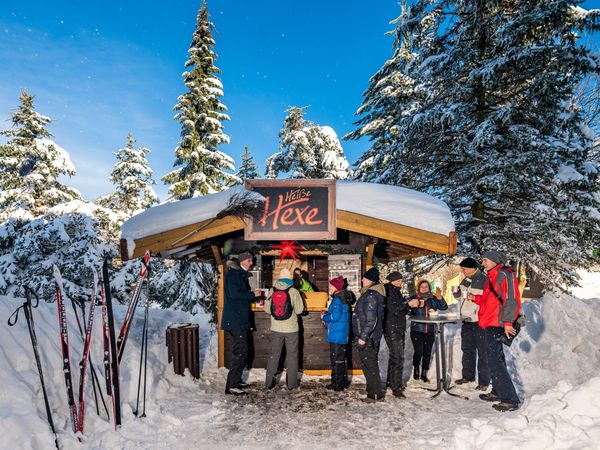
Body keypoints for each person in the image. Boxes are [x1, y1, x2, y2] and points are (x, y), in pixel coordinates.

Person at [469, 251, 521, 412]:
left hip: (497, 323)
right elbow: (487, 300)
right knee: (494, 358)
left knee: (495, 360)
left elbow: (511, 299)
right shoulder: (491, 276)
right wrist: (474, 298)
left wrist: (507, 322)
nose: (482, 263)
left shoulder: (505, 275)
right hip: (488, 322)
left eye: (485, 260)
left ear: (495, 260)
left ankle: (510, 399)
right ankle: (498, 391)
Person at [221, 251, 263, 396]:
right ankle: (231, 386)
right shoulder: (234, 275)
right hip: (235, 320)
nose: (252, 262)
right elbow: (235, 294)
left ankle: (236, 381)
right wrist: (252, 294)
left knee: (242, 351)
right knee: (240, 352)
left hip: (238, 319)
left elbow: (240, 296)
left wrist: (255, 297)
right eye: (250, 260)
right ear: (243, 261)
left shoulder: (238, 274)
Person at [264, 268, 305, 390]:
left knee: (274, 355)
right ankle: (291, 384)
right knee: (292, 356)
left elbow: (267, 309)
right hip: (291, 329)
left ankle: (269, 382)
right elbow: (299, 310)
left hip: (276, 328)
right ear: (290, 278)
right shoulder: (293, 291)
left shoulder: (272, 290)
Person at [453, 257, 490, 390]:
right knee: (467, 349)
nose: (462, 271)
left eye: (464, 269)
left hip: (479, 321)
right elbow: (462, 297)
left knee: (483, 352)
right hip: (466, 320)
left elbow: (486, 300)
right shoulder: (466, 279)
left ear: (472, 268)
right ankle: (468, 376)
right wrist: (456, 293)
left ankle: (484, 382)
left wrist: (473, 301)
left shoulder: (483, 279)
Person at [352, 267, 386, 402]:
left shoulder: (371, 295)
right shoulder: (371, 294)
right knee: (368, 365)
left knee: (370, 366)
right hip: (370, 336)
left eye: (364, 278)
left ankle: (375, 394)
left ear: (370, 280)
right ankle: (372, 390)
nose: (362, 280)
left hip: (368, 337)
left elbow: (371, 320)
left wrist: (363, 337)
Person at [408, 279, 448, 383]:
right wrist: (415, 306)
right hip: (417, 329)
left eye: (426, 287)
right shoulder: (414, 298)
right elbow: (408, 311)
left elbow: (444, 307)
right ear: (418, 288)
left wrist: (440, 298)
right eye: (422, 287)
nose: (424, 288)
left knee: (427, 353)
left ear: (429, 288)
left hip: (430, 329)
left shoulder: (433, 298)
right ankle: (416, 368)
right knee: (419, 351)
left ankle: (424, 373)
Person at [321, 276, 352, 391]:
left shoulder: (338, 299)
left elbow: (336, 316)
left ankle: (337, 385)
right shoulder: (341, 298)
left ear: (336, 287)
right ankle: (340, 383)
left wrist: (325, 316)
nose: (329, 287)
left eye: (331, 285)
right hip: (340, 333)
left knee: (337, 360)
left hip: (337, 334)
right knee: (340, 359)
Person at [383, 271, 409, 398]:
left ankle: (390, 382)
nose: (400, 282)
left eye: (400, 280)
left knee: (394, 356)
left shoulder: (395, 291)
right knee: (398, 357)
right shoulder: (389, 291)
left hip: (395, 327)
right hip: (392, 328)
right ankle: (396, 388)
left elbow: (401, 309)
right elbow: (395, 309)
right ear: (392, 280)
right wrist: (407, 304)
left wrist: (407, 305)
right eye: (397, 280)